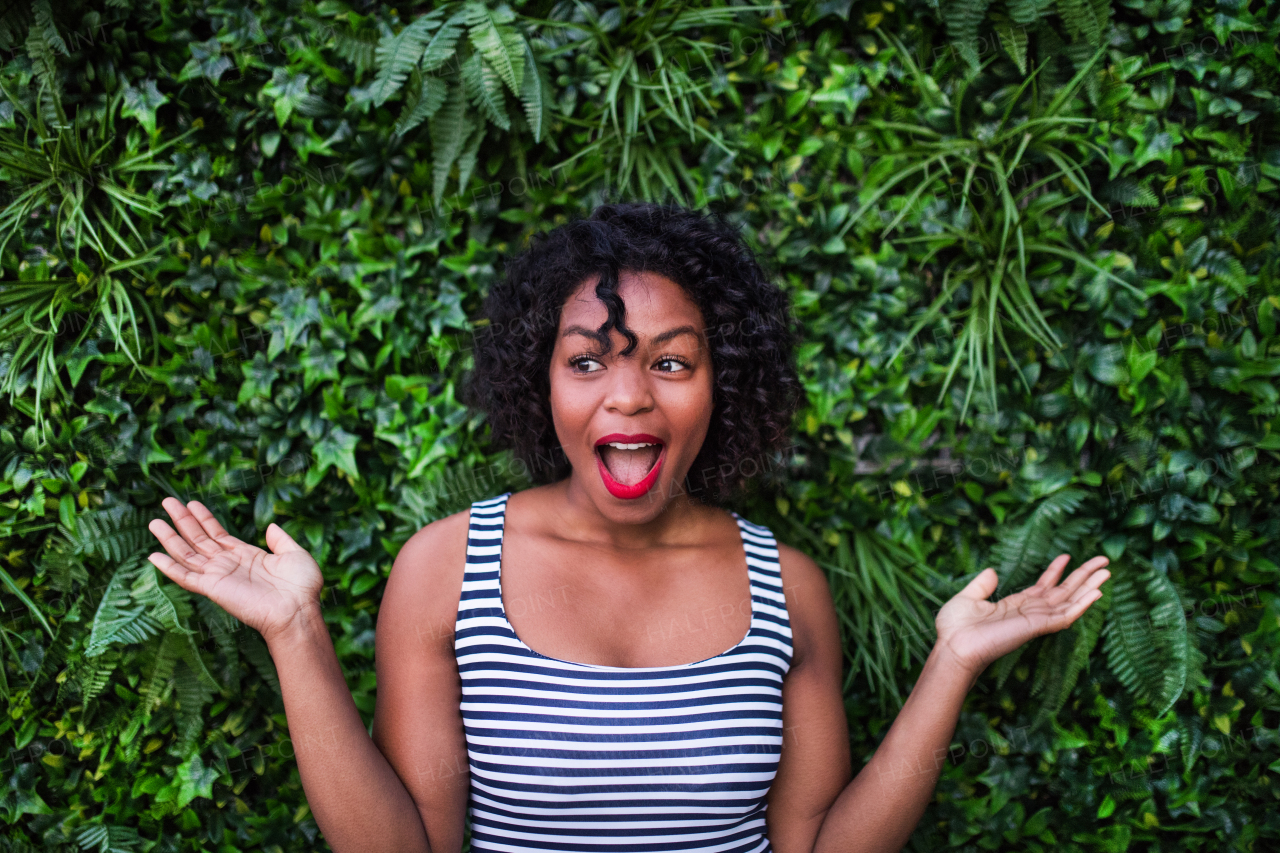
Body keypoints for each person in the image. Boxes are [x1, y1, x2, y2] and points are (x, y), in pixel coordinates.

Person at [146, 202, 1110, 853]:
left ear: (721, 386)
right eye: (588, 361)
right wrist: (296, 634)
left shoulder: (790, 585)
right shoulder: (446, 567)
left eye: (672, 363)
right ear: (542, 383)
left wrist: (952, 664)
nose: (629, 397)